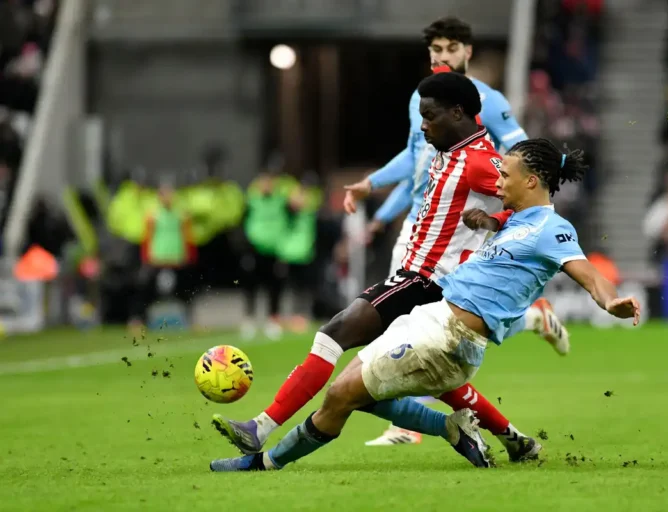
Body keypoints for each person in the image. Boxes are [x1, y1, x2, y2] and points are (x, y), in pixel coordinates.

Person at [209, 138, 641, 472]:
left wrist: (610, 301)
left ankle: (261, 463)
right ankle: (453, 426)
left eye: (505, 175)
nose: (499, 182)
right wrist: (488, 221)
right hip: (428, 319)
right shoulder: (517, 220)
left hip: (450, 340)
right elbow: (501, 231)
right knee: (355, 389)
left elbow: (587, 272)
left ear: (532, 181)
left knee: (339, 395)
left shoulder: (552, 227)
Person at [212, 72, 545, 463]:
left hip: (426, 281)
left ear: (458, 112)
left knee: (334, 333)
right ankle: (507, 436)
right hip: (422, 281)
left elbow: (532, 203)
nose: (422, 125)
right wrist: (375, 197)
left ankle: (261, 429)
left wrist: (496, 222)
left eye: (430, 115)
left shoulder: (477, 161)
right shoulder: (449, 150)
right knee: (406, 385)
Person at [345, 16, 567, 446]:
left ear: (467, 52)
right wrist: (375, 191)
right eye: (436, 51)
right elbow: (415, 161)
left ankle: (529, 323)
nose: (442, 57)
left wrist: (503, 197)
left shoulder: (489, 100)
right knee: (412, 331)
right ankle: (425, 425)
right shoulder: (421, 98)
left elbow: (521, 153)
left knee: (443, 330)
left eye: (451, 50)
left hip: (463, 226)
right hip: (420, 223)